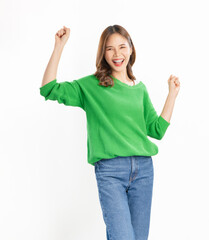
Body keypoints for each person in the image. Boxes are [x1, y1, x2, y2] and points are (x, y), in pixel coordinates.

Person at [39, 24, 180, 240]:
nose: (117, 54)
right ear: (103, 54)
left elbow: (157, 130)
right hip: (110, 171)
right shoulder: (92, 86)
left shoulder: (139, 89)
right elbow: (48, 89)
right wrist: (59, 46)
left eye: (122, 47)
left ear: (131, 49)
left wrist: (172, 95)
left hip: (143, 170)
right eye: (109, 49)